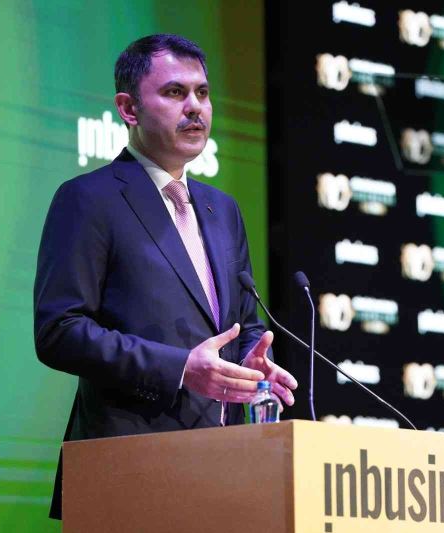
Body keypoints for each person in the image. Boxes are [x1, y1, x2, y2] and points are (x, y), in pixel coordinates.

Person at [33, 34, 297, 520]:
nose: (195, 107)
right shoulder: (89, 199)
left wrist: (251, 364)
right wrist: (181, 368)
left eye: (203, 92)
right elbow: (59, 331)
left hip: (222, 469)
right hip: (126, 467)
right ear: (128, 108)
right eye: (175, 92)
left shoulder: (222, 209)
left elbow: (243, 323)